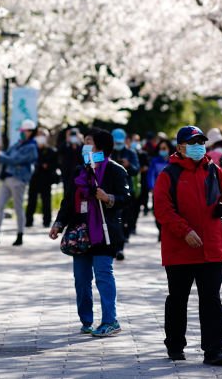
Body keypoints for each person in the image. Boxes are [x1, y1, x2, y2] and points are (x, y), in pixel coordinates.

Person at [154, 125, 222, 366]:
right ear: (180, 147)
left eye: (201, 142)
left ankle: (213, 351)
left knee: (211, 300)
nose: (199, 147)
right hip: (180, 250)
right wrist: (184, 231)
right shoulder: (169, 174)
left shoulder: (214, 170)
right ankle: (175, 345)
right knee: (178, 299)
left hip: (210, 249)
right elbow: (163, 209)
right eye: (193, 143)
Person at [50, 128, 131, 338]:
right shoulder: (80, 171)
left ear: (101, 147)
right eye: (85, 141)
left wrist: (108, 198)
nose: (85, 145)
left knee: (103, 276)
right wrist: (59, 223)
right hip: (80, 232)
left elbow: (126, 198)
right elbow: (68, 200)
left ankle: (110, 320)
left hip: (104, 232)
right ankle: (86, 320)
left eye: (89, 142)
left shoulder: (115, 170)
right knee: (81, 279)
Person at [0, 118, 38, 246]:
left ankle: (20, 235)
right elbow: (6, 156)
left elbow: (14, 160)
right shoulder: (17, 144)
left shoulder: (31, 147)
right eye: (22, 130)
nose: (23, 132)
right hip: (7, 178)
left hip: (19, 180)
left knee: (18, 208)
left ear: (31, 132)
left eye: (26, 131)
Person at [112, 128, 140, 257]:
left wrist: (128, 165)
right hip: (110, 191)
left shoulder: (131, 153)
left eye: (119, 142)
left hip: (126, 190)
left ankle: (120, 245)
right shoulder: (108, 153)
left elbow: (136, 170)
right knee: (114, 220)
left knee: (124, 219)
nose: (117, 144)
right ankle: (115, 246)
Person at [27, 127, 59, 228]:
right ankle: (28, 220)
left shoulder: (51, 151)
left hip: (46, 179)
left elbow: (54, 165)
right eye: (38, 135)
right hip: (34, 178)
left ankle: (47, 221)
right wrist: (41, 165)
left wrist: (47, 166)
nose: (40, 137)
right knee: (32, 200)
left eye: (42, 135)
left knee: (46, 201)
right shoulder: (32, 149)